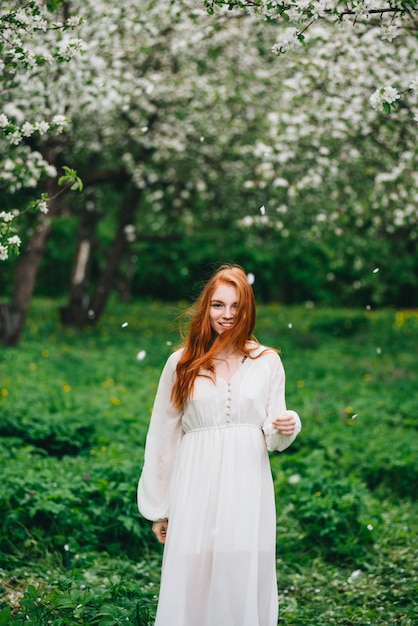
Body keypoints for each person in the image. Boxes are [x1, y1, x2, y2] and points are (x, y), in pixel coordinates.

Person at [137, 264, 301, 626]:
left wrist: (288, 425)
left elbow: (273, 434)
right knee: (193, 571)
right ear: (205, 308)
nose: (226, 315)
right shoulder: (180, 363)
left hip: (246, 487)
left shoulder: (267, 362)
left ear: (247, 310)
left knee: (239, 568)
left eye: (235, 306)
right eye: (217, 305)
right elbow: (163, 436)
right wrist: (160, 507)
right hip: (195, 486)